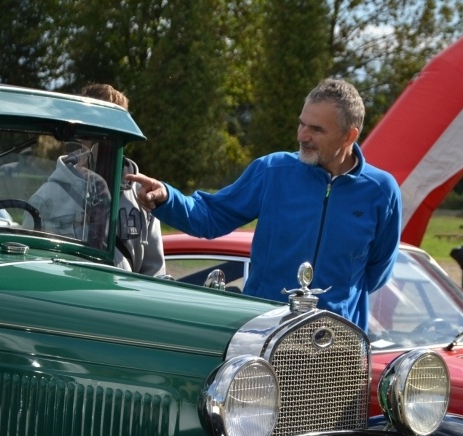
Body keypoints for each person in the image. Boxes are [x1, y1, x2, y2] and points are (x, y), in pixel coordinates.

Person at [126, 78, 401, 332]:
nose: (302, 135)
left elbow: (375, 272)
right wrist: (167, 197)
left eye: (316, 129)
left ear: (349, 136)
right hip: (265, 334)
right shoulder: (273, 170)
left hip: (338, 345)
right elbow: (211, 216)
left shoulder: (381, 190)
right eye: (302, 123)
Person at [78, 83, 165, 277]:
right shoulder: (50, 195)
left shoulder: (142, 196)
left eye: (116, 136)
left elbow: (155, 273)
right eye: (98, 133)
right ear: (81, 134)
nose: (106, 143)